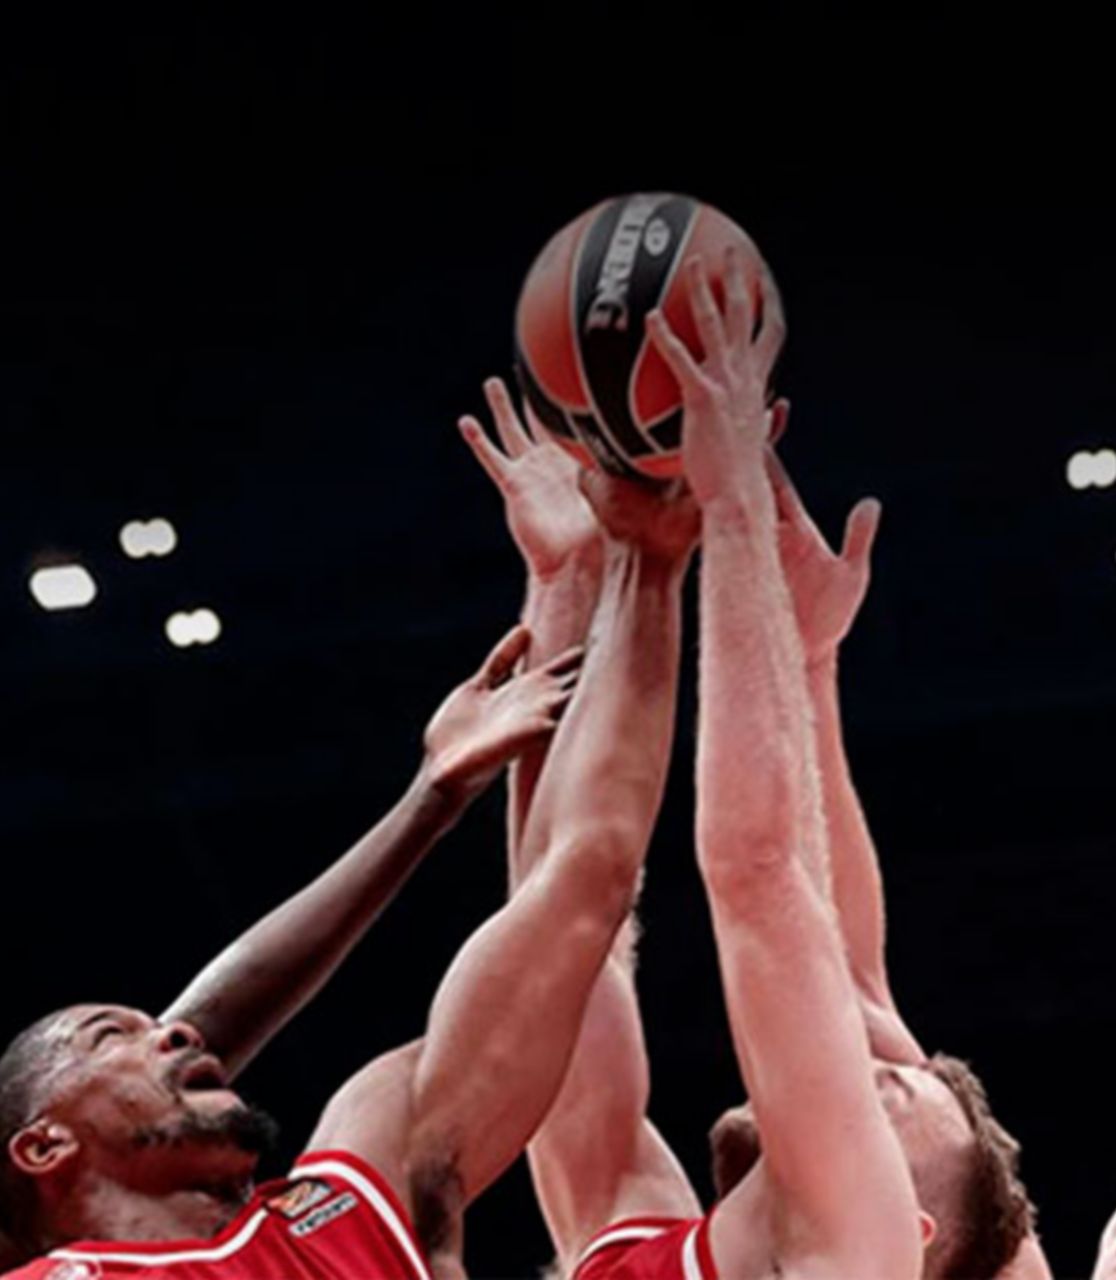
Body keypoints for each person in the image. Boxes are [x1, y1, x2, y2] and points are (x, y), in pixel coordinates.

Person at [464, 248, 1033, 1279]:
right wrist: (604, 574)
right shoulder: (628, 1234)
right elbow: (562, 935)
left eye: (883, 1092)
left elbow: (764, 874)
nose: (851, 1052)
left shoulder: (860, 1259)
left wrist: (733, 511)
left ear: (913, 1227)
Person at [0, 440, 698, 1277]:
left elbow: (579, 890)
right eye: (114, 1032)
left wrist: (622, 568)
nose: (181, 1028)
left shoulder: (346, 1202)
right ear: (39, 1146)